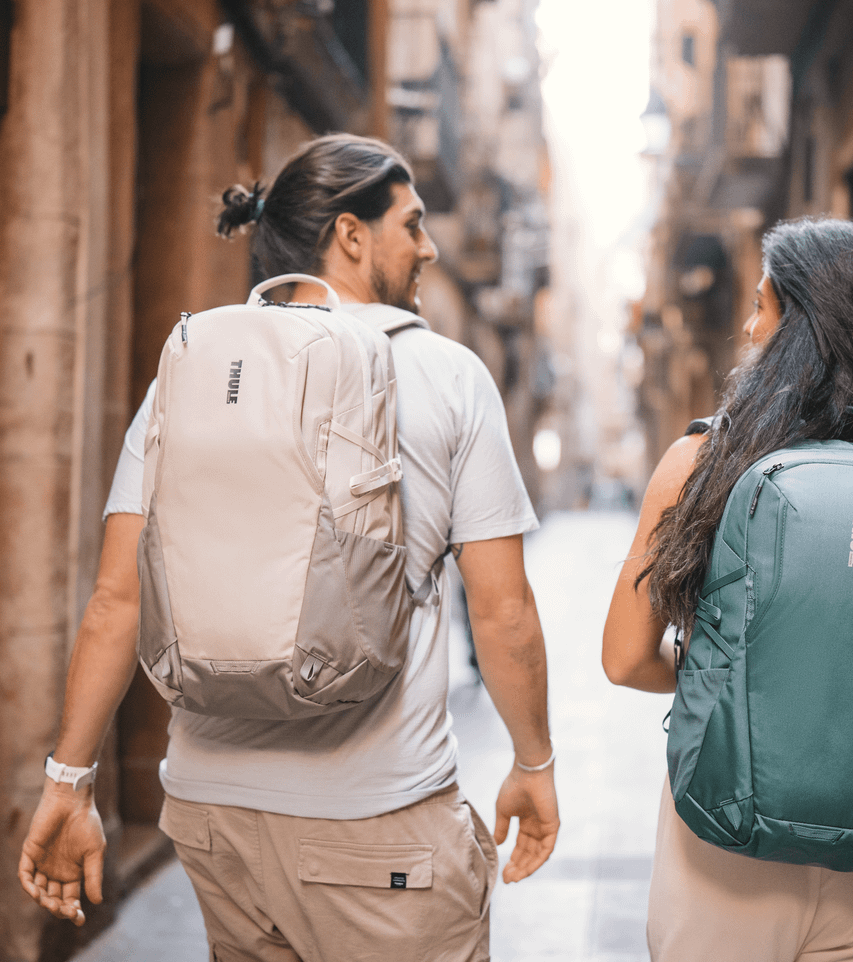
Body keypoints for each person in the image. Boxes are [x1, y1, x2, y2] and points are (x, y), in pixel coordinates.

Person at [19, 133, 559, 961]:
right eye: (411, 225)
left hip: (213, 820)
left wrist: (69, 778)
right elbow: (503, 607)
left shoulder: (191, 369)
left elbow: (117, 598)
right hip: (377, 827)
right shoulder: (448, 375)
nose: (429, 247)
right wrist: (532, 760)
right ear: (350, 234)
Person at [602, 217, 853, 962]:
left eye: (762, 305)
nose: (746, 324)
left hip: (719, 851)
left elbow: (623, 657)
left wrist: (739, 676)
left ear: (801, 327)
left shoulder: (698, 463)